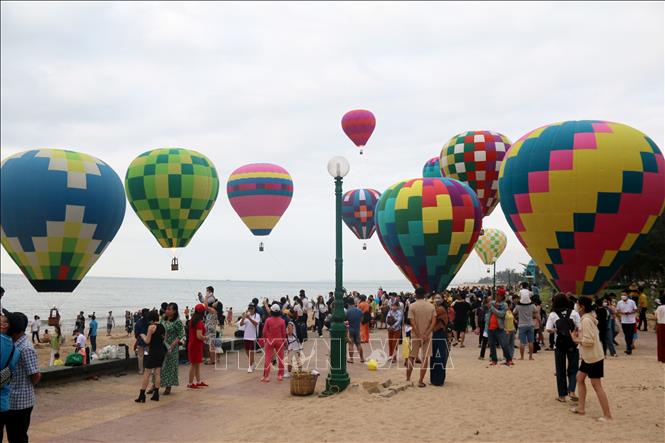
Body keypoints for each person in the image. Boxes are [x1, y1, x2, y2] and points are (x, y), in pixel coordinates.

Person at [1, 311, 41, 442]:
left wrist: (22, 388)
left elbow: (35, 375)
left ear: (13, 329)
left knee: (18, 437)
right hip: (9, 401)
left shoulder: (25, 348)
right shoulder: (12, 344)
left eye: (7, 323)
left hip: (20, 403)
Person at [570, 297, 612, 421]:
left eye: (577, 305)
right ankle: (581, 408)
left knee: (596, 385)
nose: (576, 307)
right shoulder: (587, 319)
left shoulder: (586, 320)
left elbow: (589, 341)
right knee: (580, 378)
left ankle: (607, 415)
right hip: (588, 357)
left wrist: (575, 339)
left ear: (582, 307)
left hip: (593, 357)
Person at [546, 293, 581, 402]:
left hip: (559, 345)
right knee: (573, 368)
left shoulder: (553, 314)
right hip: (573, 344)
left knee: (560, 370)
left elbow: (548, 329)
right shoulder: (574, 313)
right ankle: (572, 390)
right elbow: (579, 328)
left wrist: (557, 330)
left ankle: (562, 395)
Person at [406, 288, 436, 387]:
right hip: (427, 336)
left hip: (415, 335)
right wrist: (426, 333)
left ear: (415, 294)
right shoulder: (431, 306)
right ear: (425, 295)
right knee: (425, 358)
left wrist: (419, 334)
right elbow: (433, 322)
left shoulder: (412, 306)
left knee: (411, 357)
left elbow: (412, 322)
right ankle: (420, 381)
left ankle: (408, 378)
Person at [135, 310, 166, 402]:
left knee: (147, 373)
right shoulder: (162, 326)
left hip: (153, 352)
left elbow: (147, 341)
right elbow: (164, 339)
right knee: (157, 373)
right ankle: (156, 394)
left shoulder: (151, 327)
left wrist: (142, 335)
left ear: (151, 319)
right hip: (161, 351)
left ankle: (142, 395)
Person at [161, 302, 184, 395]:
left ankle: (168, 386)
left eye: (169, 309)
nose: (167, 311)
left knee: (169, 367)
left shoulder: (177, 321)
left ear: (174, 311)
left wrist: (173, 345)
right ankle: (155, 385)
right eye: (166, 309)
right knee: (159, 367)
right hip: (162, 345)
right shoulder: (163, 319)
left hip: (172, 347)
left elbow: (180, 335)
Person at [261, 304, 287, 382]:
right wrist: (285, 342)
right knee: (281, 359)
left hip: (270, 341)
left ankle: (266, 376)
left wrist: (265, 339)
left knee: (268, 359)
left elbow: (264, 331)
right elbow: (283, 333)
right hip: (279, 341)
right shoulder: (282, 321)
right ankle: (280, 375)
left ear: (271, 311)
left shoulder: (268, 320)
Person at [486, 289, 511, 366]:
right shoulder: (494, 303)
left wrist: (493, 308)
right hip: (490, 326)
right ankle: (494, 360)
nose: (496, 296)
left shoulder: (505, 305)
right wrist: (493, 305)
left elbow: (501, 314)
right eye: (496, 295)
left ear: (502, 296)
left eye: (498, 295)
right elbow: (489, 303)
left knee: (504, 344)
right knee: (492, 345)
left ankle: (508, 359)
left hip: (499, 327)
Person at [430, 295, 449, 386]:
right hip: (435, 334)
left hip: (440, 333)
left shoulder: (441, 309)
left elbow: (432, 315)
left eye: (438, 298)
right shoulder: (438, 308)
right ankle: (434, 379)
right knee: (434, 356)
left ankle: (439, 379)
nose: (436, 299)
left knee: (439, 356)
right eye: (435, 297)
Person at [187, 304, 207, 389]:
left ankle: (198, 381)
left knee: (197, 364)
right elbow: (199, 336)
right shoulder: (198, 323)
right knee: (194, 365)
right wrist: (205, 337)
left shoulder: (192, 321)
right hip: (196, 345)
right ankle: (190, 383)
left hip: (194, 344)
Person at [514, 289, 537, 360]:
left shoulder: (518, 306)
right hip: (530, 324)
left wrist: (518, 316)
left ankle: (522, 357)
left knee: (522, 342)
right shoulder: (532, 305)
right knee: (531, 341)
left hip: (522, 325)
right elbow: (535, 311)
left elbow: (514, 312)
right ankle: (530, 356)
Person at [241, 304, 261, 373]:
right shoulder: (247, 315)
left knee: (251, 351)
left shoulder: (257, 315)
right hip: (246, 336)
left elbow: (256, 324)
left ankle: (250, 366)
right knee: (247, 351)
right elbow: (241, 324)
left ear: (254, 309)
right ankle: (253, 363)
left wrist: (249, 318)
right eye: (249, 308)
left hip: (253, 337)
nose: (250, 309)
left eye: (251, 308)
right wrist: (243, 317)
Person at [345, 299, 365, 363]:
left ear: (348, 304)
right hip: (357, 329)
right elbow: (362, 320)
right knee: (358, 344)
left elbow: (346, 320)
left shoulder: (348, 311)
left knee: (351, 344)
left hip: (351, 329)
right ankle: (362, 358)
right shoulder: (359, 311)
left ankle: (351, 359)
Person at [134, 308, 149, 374]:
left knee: (140, 356)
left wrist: (138, 337)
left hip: (140, 340)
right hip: (149, 340)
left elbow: (136, 333)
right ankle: (150, 369)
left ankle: (141, 370)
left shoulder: (138, 322)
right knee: (149, 355)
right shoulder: (149, 322)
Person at [656, 295, 665, 363]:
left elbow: (656, 316)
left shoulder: (659, 308)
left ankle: (661, 357)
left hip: (660, 324)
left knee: (661, 342)